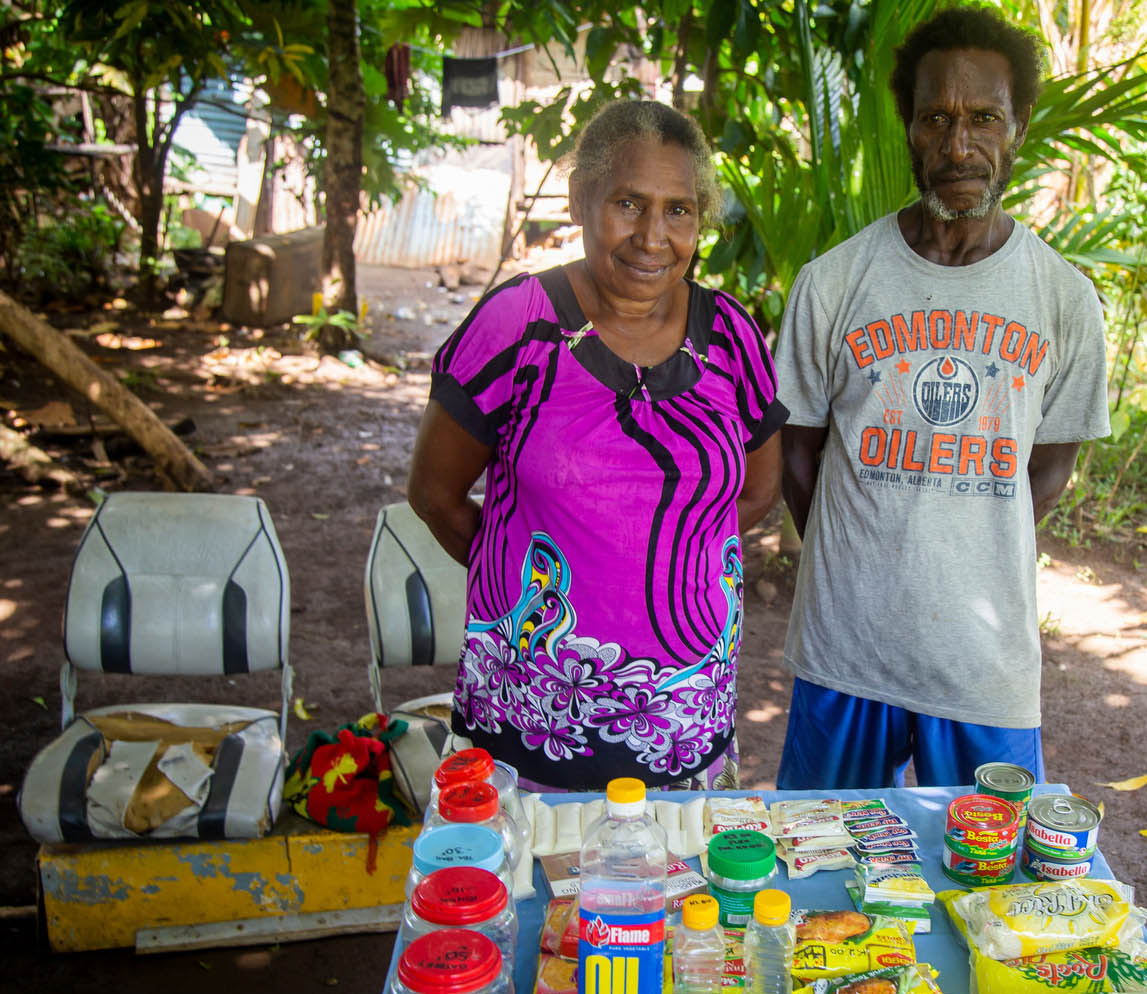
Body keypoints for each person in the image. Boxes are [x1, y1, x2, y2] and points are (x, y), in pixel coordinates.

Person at [775, 7, 1110, 790]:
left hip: (983, 666)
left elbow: (1051, 467)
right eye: (937, 119)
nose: (960, 146)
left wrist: (968, 545)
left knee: (988, 878)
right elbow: (797, 452)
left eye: (985, 118)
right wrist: (858, 565)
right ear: (910, 129)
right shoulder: (833, 283)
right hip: (843, 654)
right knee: (820, 864)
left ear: (1019, 126)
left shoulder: (1064, 300)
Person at [408, 100, 786, 792]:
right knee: (533, 896)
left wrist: (674, 564)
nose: (652, 236)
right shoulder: (517, 325)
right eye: (628, 203)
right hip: (531, 726)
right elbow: (434, 493)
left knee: (679, 898)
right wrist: (532, 579)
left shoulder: (729, 336)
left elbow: (757, 490)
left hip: (685, 727)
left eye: (679, 210)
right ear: (583, 200)